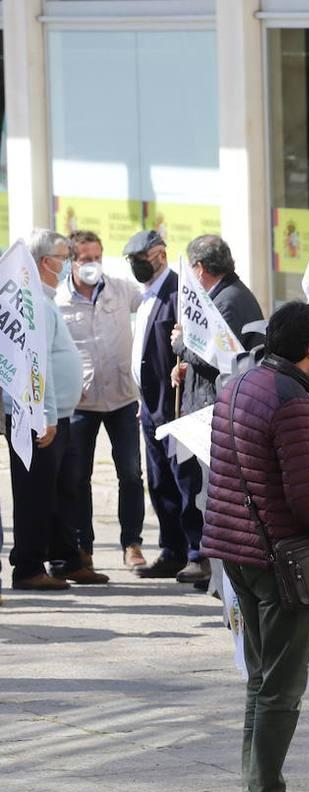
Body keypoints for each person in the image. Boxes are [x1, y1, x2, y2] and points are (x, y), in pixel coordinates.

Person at [202, 301, 309, 792]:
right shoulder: (294, 402)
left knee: (261, 681)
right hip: (278, 557)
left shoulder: (240, 384)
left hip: (234, 551)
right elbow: (306, 495)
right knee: (281, 689)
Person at [5, 230, 108, 590]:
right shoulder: (32, 301)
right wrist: (46, 415)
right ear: (46, 262)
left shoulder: (45, 299)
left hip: (60, 415)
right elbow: (37, 364)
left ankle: (66, 558)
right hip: (40, 419)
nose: (70, 263)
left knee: (64, 491)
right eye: (65, 256)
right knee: (36, 493)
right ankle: (28, 566)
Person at [55, 230, 148, 573]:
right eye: (85, 259)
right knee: (77, 477)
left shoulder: (121, 288)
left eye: (97, 256)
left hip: (122, 397)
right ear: (71, 262)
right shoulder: (59, 301)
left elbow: (153, 302)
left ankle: (133, 543)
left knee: (131, 473)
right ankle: (84, 549)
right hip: (80, 401)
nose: (93, 264)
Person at [125, 230, 206, 583]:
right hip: (150, 406)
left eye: (140, 259)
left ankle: (195, 553)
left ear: (159, 255)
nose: (136, 266)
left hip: (175, 406)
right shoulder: (146, 295)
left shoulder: (177, 294)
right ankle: (171, 549)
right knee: (159, 482)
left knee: (184, 481)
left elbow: (189, 347)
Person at [170, 235, 265, 415]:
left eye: (192, 266)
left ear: (199, 268)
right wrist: (189, 366)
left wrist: (181, 345)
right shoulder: (226, 295)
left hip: (218, 406)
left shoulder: (227, 302)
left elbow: (220, 355)